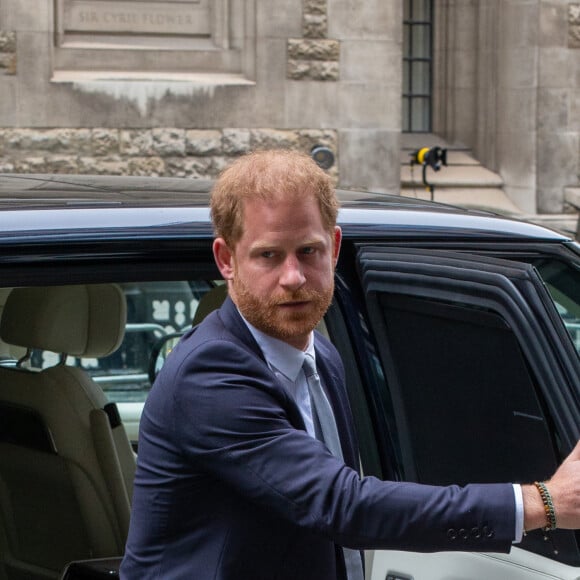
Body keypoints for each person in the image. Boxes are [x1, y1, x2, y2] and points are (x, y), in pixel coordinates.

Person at [121, 149, 580, 579]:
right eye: (268, 256)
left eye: (309, 251)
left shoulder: (321, 355)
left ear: (334, 248)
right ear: (227, 259)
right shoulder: (211, 374)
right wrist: (543, 502)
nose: (294, 278)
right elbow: (344, 506)